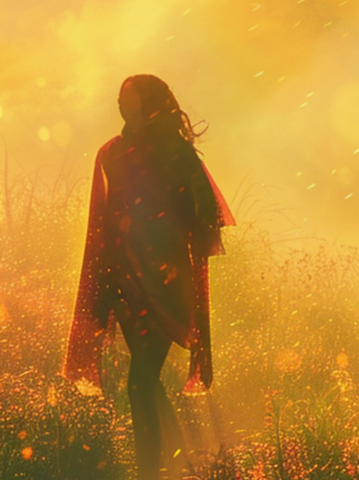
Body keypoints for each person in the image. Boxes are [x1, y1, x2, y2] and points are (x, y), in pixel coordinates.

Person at [63, 74, 233, 479]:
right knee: (143, 377)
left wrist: (162, 223)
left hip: (165, 279)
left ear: (147, 103)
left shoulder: (175, 151)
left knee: (141, 378)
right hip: (124, 279)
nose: (120, 104)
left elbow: (206, 212)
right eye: (119, 97)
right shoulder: (112, 153)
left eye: (128, 98)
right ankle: (167, 465)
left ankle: (154, 468)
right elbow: (103, 221)